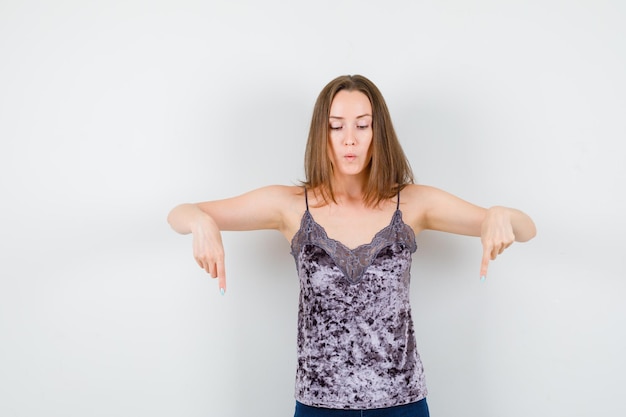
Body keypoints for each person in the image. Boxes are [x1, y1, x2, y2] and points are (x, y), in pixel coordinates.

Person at [167, 74, 536, 416]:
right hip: (318, 404)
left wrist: (501, 214)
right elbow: (182, 212)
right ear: (321, 133)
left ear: (378, 133)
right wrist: (201, 222)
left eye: (362, 125)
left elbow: (525, 227)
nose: (349, 139)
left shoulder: (413, 204)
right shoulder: (292, 206)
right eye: (336, 126)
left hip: (402, 402)